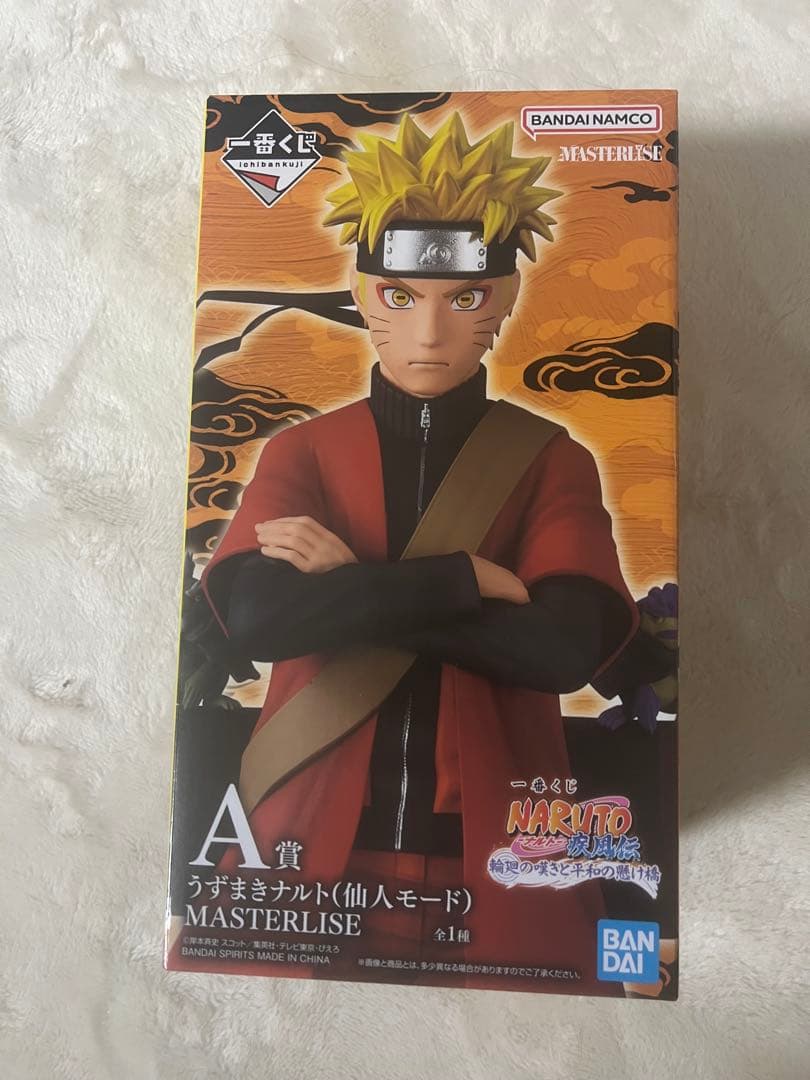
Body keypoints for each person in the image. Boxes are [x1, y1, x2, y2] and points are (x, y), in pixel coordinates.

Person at [197, 112, 638, 990]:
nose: (430, 333)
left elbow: (561, 649)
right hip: (301, 838)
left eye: (464, 298)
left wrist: (351, 586)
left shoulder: (550, 459)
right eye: (401, 297)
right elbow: (259, 617)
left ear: (505, 297)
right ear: (363, 294)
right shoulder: (303, 451)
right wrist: (466, 581)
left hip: (507, 857)